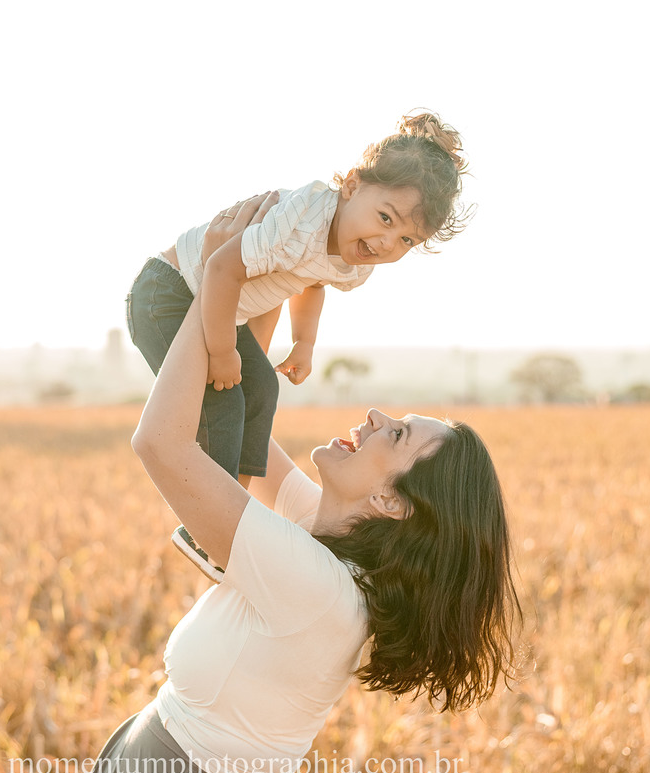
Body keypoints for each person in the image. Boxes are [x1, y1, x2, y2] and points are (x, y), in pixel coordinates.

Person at [85, 196, 521, 773]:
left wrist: (214, 282)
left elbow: (162, 443)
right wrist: (251, 286)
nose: (375, 415)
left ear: (393, 503)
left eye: (396, 434)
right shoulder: (327, 540)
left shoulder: (318, 587)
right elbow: (242, 425)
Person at [125, 111, 471, 581]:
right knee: (223, 400)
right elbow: (222, 267)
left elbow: (312, 281)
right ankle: (206, 527)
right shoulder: (303, 217)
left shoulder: (356, 262)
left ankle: (230, 511)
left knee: (262, 389)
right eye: (385, 218)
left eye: (406, 239)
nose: (386, 242)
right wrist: (223, 353)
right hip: (169, 293)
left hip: (220, 306)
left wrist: (303, 342)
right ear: (351, 185)